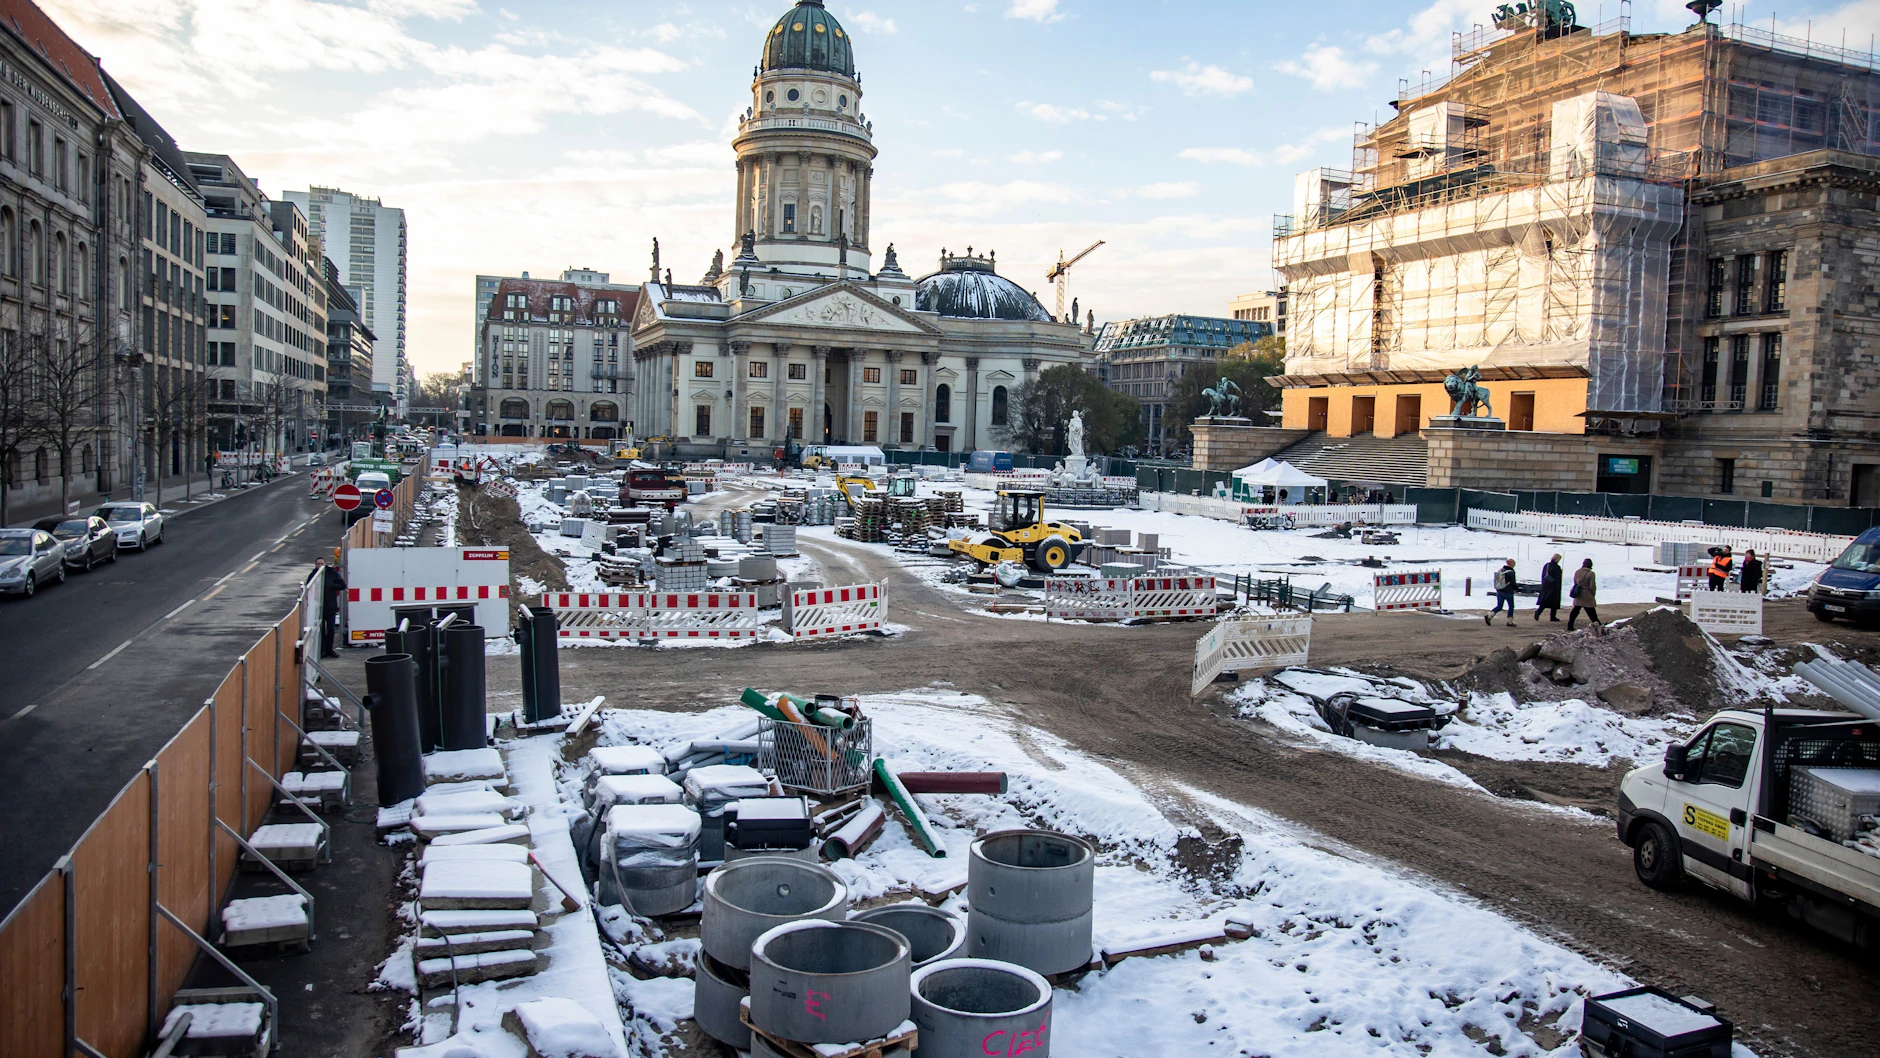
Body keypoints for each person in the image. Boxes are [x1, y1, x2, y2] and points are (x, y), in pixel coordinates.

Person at [1568, 557, 1600, 632]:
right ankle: (1598, 625)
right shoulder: (1591, 574)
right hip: (1587, 595)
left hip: (1578, 594)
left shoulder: (1577, 572)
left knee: (1575, 610)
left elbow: (1575, 582)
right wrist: (1593, 593)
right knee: (1591, 612)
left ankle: (1570, 625)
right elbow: (1592, 585)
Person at [1487, 557, 1518, 627]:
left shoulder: (1501, 570)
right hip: (1508, 592)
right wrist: (1516, 588)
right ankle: (1509, 621)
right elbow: (1513, 583)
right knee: (1511, 606)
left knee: (1499, 606)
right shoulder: (1511, 572)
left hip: (1499, 591)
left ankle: (1490, 615)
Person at [1534, 553, 1563, 622]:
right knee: (1554, 603)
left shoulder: (1547, 565)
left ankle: (1538, 612)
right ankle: (1552, 617)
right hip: (1554, 587)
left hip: (1546, 586)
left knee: (1544, 602)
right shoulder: (1557, 567)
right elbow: (1557, 578)